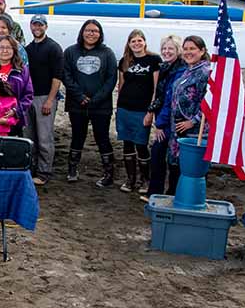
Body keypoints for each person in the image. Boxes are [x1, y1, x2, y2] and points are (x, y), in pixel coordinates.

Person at [62, 19, 118, 187]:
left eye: (95, 31)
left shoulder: (107, 53)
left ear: (100, 34)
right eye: (88, 30)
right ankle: (72, 169)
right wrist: (79, 95)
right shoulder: (71, 51)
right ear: (82, 32)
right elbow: (66, 75)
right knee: (78, 136)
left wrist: (96, 99)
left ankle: (109, 173)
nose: (91, 33)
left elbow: (111, 79)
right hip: (77, 104)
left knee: (102, 138)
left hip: (101, 106)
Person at [116, 29, 161, 194]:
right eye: (133, 41)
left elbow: (156, 88)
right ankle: (130, 179)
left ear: (144, 42)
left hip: (142, 110)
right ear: (129, 44)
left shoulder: (154, 60)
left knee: (141, 144)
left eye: (139, 40)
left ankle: (145, 180)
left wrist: (151, 111)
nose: (136, 44)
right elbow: (121, 86)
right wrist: (118, 108)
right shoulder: (125, 61)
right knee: (127, 143)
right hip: (124, 108)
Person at [166, 36, 211, 196]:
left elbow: (210, 102)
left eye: (192, 49)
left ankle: (188, 199)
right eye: (185, 49)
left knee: (192, 168)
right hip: (178, 128)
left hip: (195, 132)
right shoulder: (188, 70)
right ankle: (173, 197)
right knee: (175, 167)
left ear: (202, 51)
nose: (188, 52)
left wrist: (193, 121)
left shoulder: (205, 72)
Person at [24, 14, 64, 186]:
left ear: (45, 27)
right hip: (28, 97)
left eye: (40, 25)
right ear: (31, 26)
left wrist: (50, 100)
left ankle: (44, 171)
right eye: (34, 24)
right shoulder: (27, 49)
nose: (37, 27)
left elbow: (57, 76)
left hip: (45, 97)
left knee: (44, 138)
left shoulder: (54, 48)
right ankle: (31, 169)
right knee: (29, 137)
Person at [146, 35, 185, 197]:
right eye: (164, 49)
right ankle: (156, 191)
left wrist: (160, 124)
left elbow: (169, 98)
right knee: (157, 155)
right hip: (163, 117)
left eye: (171, 49)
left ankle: (171, 192)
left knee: (170, 158)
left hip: (173, 122)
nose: (166, 52)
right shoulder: (164, 68)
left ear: (178, 50)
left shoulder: (180, 70)